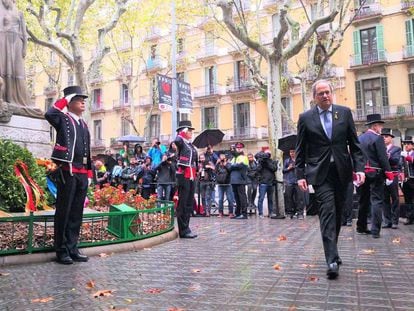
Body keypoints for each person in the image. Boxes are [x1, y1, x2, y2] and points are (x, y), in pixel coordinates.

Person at [295, 79, 365, 279]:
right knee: (327, 212)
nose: (325, 96)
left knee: (340, 212)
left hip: (342, 172)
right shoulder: (306, 118)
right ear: (314, 97)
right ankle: (332, 261)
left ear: (331, 93)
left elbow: (355, 144)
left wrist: (359, 169)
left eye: (327, 92)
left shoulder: (343, 113)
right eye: (321, 93)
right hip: (320, 173)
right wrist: (300, 175)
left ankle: (332, 249)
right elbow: (300, 150)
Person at [44, 85, 92, 265]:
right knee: (64, 212)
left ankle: (73, 247)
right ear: (70, 102)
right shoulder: (62, 119)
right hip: (67, 171)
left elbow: (87, 151)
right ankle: (61, 250)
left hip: (81, 173)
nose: (82, 103)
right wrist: (65, 98)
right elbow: (49, 113)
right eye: (79, 99)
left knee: (76, 213)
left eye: (83, 100)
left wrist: (88, 173)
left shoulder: (83, 123)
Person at [0, 0, 42, 118]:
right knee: (5, 70)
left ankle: (17, 99)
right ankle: (6, 97)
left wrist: (24, 47)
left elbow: (24, 33)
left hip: (17, 42)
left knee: (18, 71)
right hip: (4, 41)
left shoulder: (20, 14)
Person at [357, 114, 393, 238]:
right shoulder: (378, 138)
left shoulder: (360, 138)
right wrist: (389, 173)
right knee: (377, 200)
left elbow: (356, 156)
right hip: (376, 172)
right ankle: (375, 230)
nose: (381, 129)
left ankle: (361, 226)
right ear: (375, 126)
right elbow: (383, 158)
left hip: (362, 173)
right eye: (380, 126)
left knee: (363, 200)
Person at [174, 120, 198, 238]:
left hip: (192, 175)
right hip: (183, 175)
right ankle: (182, 230)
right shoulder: (181, 142)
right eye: (189, 131)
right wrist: (181, 133)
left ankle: (187, 228)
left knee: (189, 202)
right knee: (183, 203)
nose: (191, 133)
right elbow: (176, 140)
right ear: (183, 132)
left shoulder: (190, 145)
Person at [381, 128, 401, 229]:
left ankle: (395, 221)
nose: (384, 138)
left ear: (391, 138)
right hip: (383, 175)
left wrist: (388, 157)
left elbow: (396, 161)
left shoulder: (396, 149)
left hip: (393, 175)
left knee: (395, 198)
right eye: (382, 137)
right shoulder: (380, 149)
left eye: (386, 136)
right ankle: (387, 220)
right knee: (384, 199)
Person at [255, 148, 278, 218]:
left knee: (270, 199)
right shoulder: (261, 162)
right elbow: (258, 169)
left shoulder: (272, 161)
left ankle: (271, 213)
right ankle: (260, 213)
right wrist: (262, 162)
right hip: (263, 183)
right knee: (261, 198)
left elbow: (274, 169)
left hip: (270, 182)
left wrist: (267, 162)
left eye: (268, 154)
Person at [229, 142, 249, 219]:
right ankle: (237, 213)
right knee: (237, 198)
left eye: (240, 148)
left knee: (242, 197)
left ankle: (244, 214)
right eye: (237, 148)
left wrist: (232, 166)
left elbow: (239, 166)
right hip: (234, 180)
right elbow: (229, 167)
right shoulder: (234, 158)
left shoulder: (244, 157)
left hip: (240, 180)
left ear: (242, 149)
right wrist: (232, 166)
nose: (238, 149)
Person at [283, 149, 305, 219]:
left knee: (299, 198)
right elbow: (283, 170)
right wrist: (289, 168)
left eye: (293, 152)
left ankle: (300, 213)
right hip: (289, 181)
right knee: (289, 197)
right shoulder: (287, 161)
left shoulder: (299, 160)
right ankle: (290, 213)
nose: (292, 153)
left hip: (298, 181)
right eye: (291, 152)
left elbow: (303, 169)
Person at [215, 153, 235, 217]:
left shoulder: (228, 164)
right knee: (220, 199)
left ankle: (231, 212)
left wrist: (225, 164)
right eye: (221, 157)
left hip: (228, 183)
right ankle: (220, 212)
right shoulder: (218, 164)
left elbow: (230, 170)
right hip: (220, 184)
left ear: (225, 158)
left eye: (223, 157)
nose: (222, 159)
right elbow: (215, 171)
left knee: (230, 199)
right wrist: (217, 164)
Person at [401, 136, 414, 225]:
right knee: (408, 200)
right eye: (405, 144)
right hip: (406, 180)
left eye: (408, 144)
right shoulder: (402, 155)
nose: (406, 145)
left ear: (413, 146)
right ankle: (409, 218)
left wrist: (408, 158)